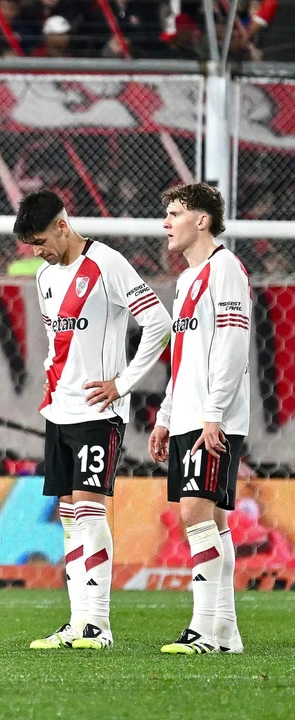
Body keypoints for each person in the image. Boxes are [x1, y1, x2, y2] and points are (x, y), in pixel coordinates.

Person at [16, 190, 171, 650]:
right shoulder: (44, 276)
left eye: (41, 241)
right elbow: (57, 343)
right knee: (68, 517)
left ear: (63, 226)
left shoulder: (107, 263)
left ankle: (98, 625)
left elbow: (159, 323)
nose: (37, 251)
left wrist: (123, 384)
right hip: (59, 410)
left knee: (88, 511)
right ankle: (77, 621)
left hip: (98, 412)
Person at [149, 184, 248, 655]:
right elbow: (183, 358)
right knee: (214, 520)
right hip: (190, 415)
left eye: (175, 213)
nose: (166, 223)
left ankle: (202, 630)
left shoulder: (225, 268)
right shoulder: (188, 280)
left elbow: (232, 346)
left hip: (213, 419)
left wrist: (214, 414)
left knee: (194, 513)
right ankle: (225, 632)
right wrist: (166, 415)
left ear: (202, 220)